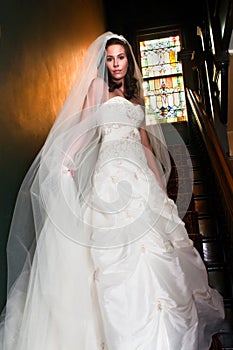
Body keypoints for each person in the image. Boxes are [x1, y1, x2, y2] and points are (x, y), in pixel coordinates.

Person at [0, 31, 225, 350]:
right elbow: (84, 127)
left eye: (121, 57)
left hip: (140, 178)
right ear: (103, 62)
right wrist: (67, 159)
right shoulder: (96, 87)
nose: (117, 63)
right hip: (109, 175)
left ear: (128, 60)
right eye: (110, 58)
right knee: (116, 253)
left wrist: (160, 187)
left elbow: (145, 143)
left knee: (159, 250)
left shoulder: (137, 96)